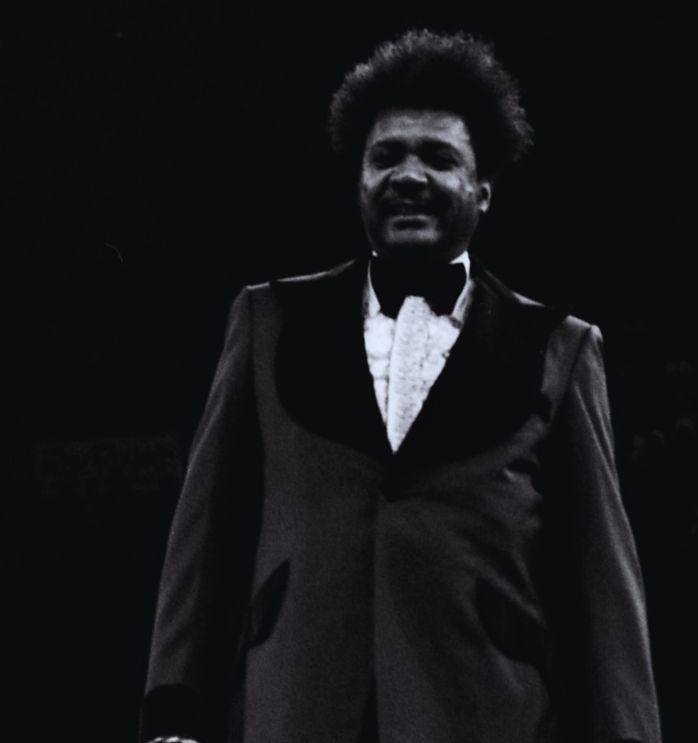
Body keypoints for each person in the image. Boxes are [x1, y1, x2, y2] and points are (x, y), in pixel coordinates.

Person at [140, 30, 661, 743]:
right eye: (385, 156)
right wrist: (173, 715)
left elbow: (603, 581)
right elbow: (204, 541)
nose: (408, 175)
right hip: (297, 710)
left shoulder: (559, 347)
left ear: (482, 189)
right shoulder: (267, 321)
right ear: (357, 180)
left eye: (438, 158)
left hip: (487, 716)